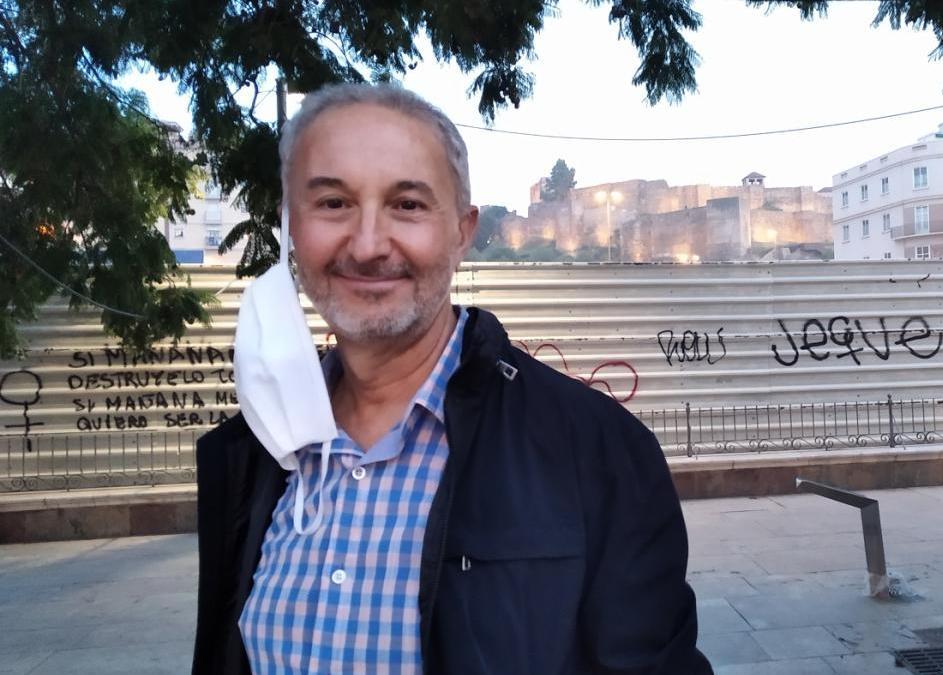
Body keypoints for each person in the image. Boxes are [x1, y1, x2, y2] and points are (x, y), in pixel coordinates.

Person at [192, 82, 710, 674]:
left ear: (463, 231)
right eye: (333, 203)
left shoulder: (597, 454)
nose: (366, 246)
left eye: (407, 204)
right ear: (291, 226)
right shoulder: (252, 453)